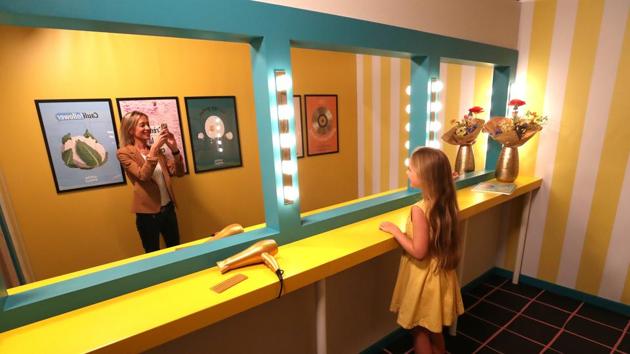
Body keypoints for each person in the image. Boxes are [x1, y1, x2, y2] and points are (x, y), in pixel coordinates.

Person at [379, 147, 464, 354]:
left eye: (411, 170)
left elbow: (418, 251)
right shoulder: (446, 202)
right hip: (440, 276)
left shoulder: (420, 209)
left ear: (426, 177)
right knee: (435, 330)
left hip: (423, 280)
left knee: (419, 330)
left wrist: (396, 231)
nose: (407, 172)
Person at [117, 111, 185, 253]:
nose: (147, 128)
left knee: (176, 250)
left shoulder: (157, 151)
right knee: (153, 255)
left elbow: (178, 173)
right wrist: (153, 150)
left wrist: (174, 150)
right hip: (148, 216)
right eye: (142, 125)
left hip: (168, 210)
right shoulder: (124, 153)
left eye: (148, 124)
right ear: (130, 130)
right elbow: (143, 176)